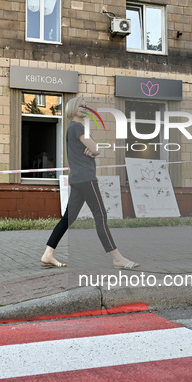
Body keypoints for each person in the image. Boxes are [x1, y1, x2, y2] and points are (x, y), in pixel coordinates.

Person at [41, 96, 140, 270]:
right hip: (87, 179)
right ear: (72, 109)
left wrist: (93, 150)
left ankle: (48, 253)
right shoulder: (78, 127)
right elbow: (96, 148)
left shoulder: (71, 129)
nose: (85, 109)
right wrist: (95, 151)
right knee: (100, 216)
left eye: (87, 106)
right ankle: (117, 258)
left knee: (67, 219)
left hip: (77, 179)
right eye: (82, 106)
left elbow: (92, 149)